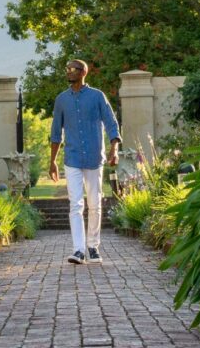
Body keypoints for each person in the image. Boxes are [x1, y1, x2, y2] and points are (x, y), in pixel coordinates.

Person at [49, 59, 121, 264]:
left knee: (95, 203)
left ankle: (93, 247)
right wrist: (52, 161)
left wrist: (114, 148)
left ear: (83, 72)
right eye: (67, 69)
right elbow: (56, 133)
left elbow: (111, 123)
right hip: (71, 158)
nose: (69, 72)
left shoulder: (97, 97)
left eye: (73, 69)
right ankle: (78, 250)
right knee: (75, 204)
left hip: (94, 158)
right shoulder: (61, 100)